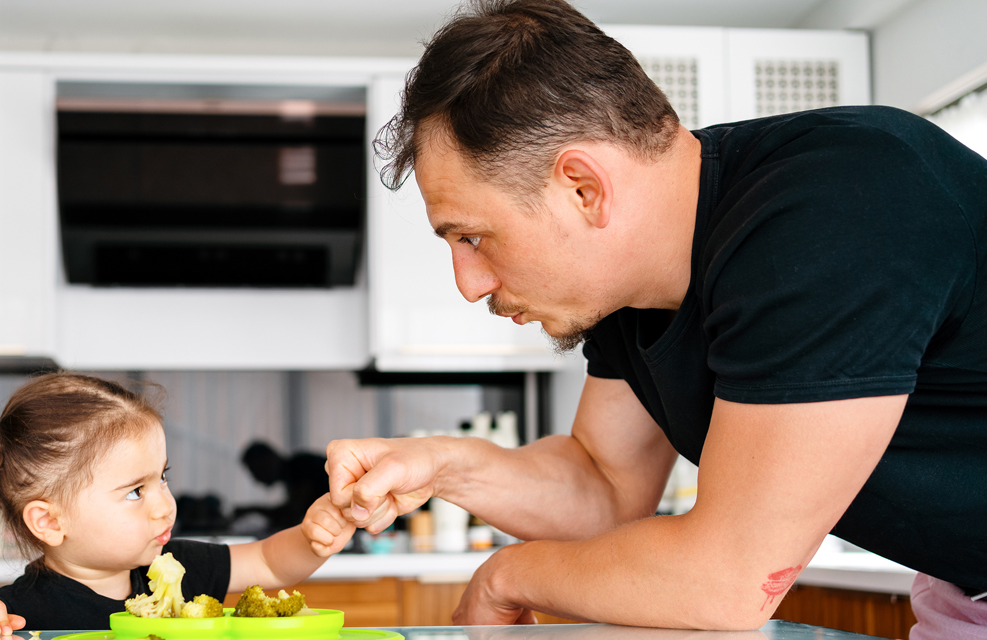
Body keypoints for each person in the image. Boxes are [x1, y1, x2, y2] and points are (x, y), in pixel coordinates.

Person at [317, 0, 987, 637]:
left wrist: (507, 576)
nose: (469, 285)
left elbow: (724, 580)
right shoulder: (631, 288)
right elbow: (603, 489)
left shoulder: (831, 211)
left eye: (472, 237)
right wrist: (439, 466)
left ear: (584, 188)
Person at [0, 373, 353, 634]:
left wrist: (312, 537)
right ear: (50, 522)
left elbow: (269, 562)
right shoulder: (17, 615)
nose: (165, 505)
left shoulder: (178, 566)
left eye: (162, 477)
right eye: (135, 491)